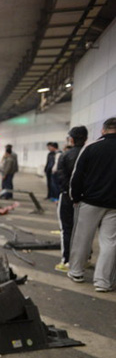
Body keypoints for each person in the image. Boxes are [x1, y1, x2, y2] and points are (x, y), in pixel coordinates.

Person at [67, 117, 116, 292]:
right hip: (114, 205)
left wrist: (75, 197)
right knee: (110, 243)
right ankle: (103, 282)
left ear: (103, 130)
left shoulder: (91, 147)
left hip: (90, 201)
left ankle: (76, 272)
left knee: (82, 238)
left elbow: (77, 175)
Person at [53, 126, 88, 272]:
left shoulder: (65, 155)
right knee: (85, 230)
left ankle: (67, 261)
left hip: (68, 197)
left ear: (71, 139)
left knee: (67, 229)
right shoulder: (90, 153)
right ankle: (86, 259)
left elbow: (60, 177)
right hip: (88, 199)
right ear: (85, 138)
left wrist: (71, 193)